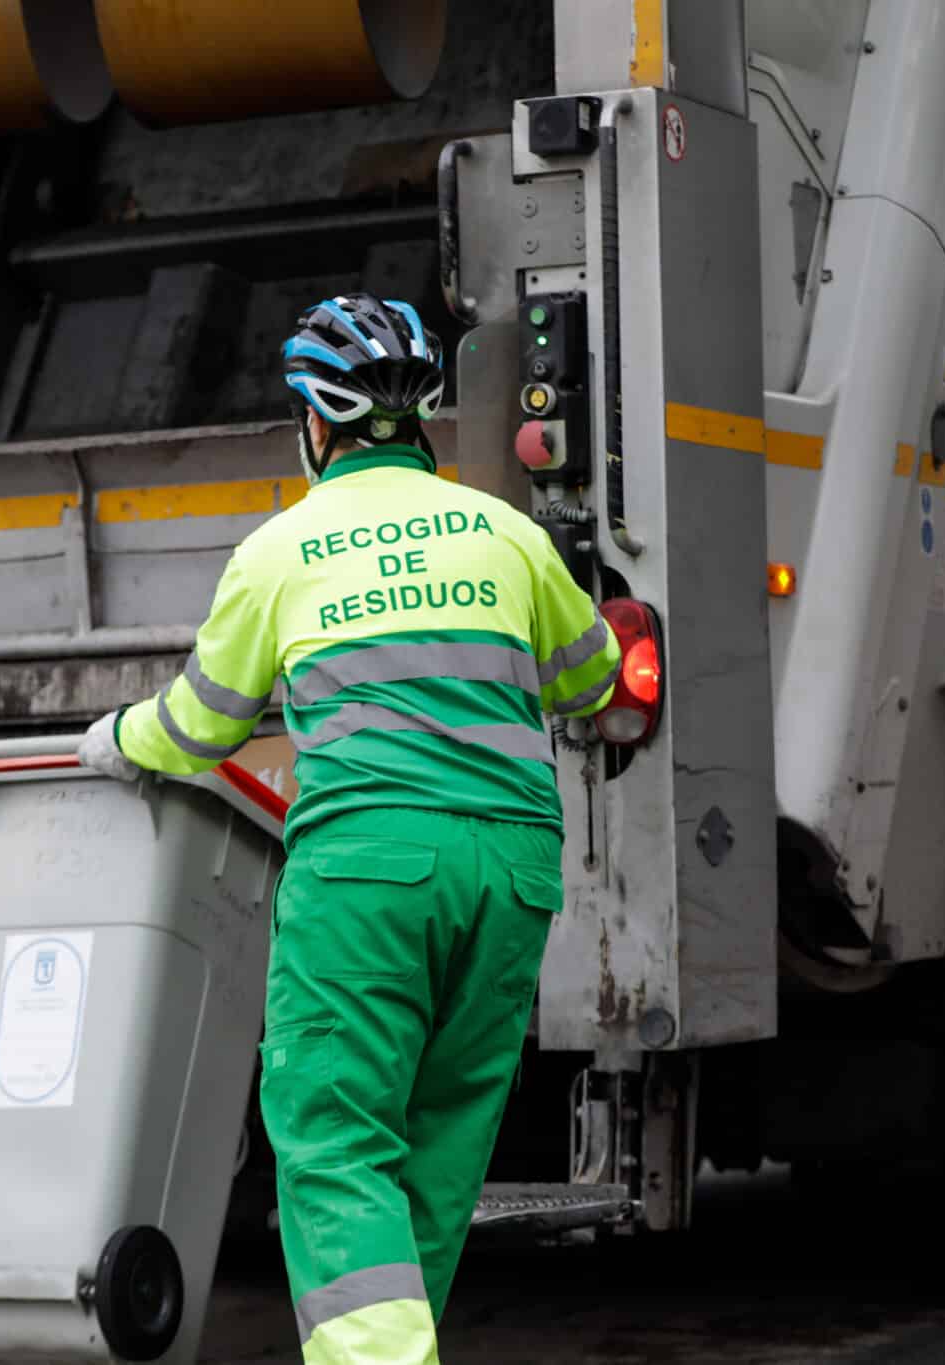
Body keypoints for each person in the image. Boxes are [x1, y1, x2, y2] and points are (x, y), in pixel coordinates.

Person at [79, 292, 621, 1364]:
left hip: (369, 870)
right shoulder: (506, 534)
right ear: (420, 424)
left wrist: (114, 740)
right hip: (512, 875)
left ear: (315, 425)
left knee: (333, 1142)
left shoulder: (280, 553)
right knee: (435, 1151)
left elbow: (199, 728)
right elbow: (594, 679)